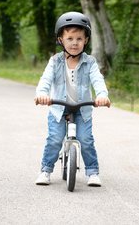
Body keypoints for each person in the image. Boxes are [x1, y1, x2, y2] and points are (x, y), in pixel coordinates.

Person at [34, 11, 110, 187]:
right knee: (54, 139)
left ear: (86, 40)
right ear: (61, 39)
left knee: (86, 140)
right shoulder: (55, 61)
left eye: (79, 39)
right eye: (70, 38)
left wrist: (102, 96)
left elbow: (98, 80)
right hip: (59, 108)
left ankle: (92, 172)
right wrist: (42, 94)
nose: (74, 43)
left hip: (82, 109)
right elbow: (45, 80)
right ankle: (46, 170)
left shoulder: (90, 62)